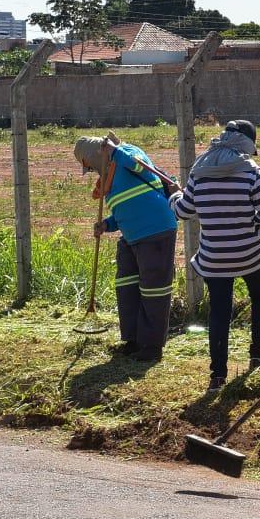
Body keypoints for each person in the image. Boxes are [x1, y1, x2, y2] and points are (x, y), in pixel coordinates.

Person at [173, 120, 260, 393]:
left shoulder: (199, 171)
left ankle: (217, 376)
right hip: (250, 254)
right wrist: (256, 230)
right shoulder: (252, 172)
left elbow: (183, 211)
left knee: (219, 313)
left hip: (214, 257)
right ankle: (257, 355)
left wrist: (173, 196)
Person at [75, 133, 179, 361]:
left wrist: (114, 150)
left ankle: (151, 348)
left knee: (154, 290)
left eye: (88, 166)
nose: (91, 171)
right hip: (131, 237)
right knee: (126, 285)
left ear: (92, 156)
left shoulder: (128, 153)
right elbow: (125, 209)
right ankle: (133, 340)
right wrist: (106, 224)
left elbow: (139, 168)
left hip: (156, 230)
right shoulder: (108, 178)